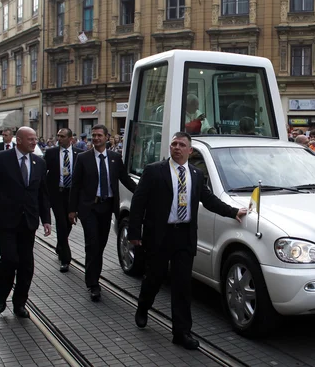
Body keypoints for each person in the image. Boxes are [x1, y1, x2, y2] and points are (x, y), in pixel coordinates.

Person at [128, 132, 247, 349]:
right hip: (160, 235)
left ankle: (181, 333)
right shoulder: (154, 171)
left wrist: (233, 212)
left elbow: (209, 200)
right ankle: (143, 307)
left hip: (184, 236)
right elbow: (138, 203)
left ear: (190, 151)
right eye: (174, 144)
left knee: (182, 286)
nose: (177, 147)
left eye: (182, 145)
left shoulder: (196, 174)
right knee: (154, 278)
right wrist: (134, 233)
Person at [0, 126, 51, 318]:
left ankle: (20, 303)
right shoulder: (1, 159)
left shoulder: (39, 162)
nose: (34, 142)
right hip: (5, 220)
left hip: (28, 221)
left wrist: (46, 219)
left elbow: (42, 194)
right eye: (30, 139)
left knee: (26, 265)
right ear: (18, 140)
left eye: (35, 139)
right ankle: (2, 295)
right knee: (10, 259)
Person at [69, 124, 137, 301]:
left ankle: (94, 276)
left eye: (100, 135)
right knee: (92, 245)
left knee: (100, 245)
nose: (96, 138)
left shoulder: (115, 158)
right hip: (89, 208)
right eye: (94, 135)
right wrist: (72, 209)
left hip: (107, 208)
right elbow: (75, 185)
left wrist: (142, 192)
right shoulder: (83, 158)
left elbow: (126, 180)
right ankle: (93, 284)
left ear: (107, 137)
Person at [44, 128, 83, 273]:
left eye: (62, 136)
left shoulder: (79, 154)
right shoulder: (51, 153)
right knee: (61, 224)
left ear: (70, 138)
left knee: (68, 223)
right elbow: (43, 173)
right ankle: (66, 259)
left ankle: (60, 245)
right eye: (58, 136)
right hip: (57, 194)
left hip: (72, 195)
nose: (59, 139)